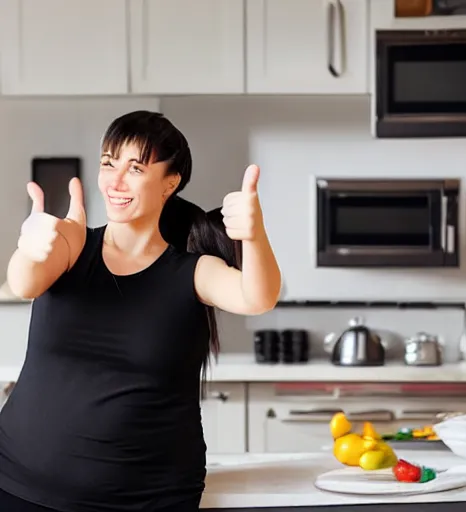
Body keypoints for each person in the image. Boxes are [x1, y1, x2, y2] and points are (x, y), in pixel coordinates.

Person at [0, 110, 281, 512]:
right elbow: (25, 281)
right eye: (108, 163)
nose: (115, 182)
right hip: (18, 484)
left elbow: (257, 297)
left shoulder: (191, 272)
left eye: (135, 168)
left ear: (171, 182)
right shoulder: (72, 245)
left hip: (147, 498)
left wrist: (253, 235)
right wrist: (29, 248)